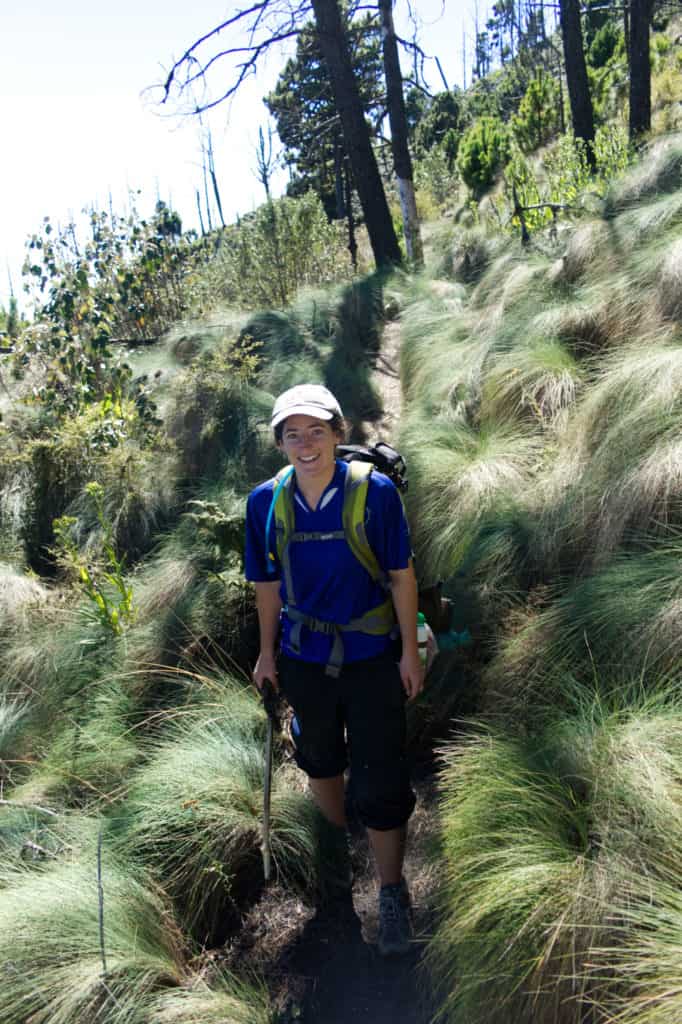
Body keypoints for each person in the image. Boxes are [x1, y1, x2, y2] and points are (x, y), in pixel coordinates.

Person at [245, 382, 424, 956]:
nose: (305, 443)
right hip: (304, 658)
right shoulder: (264, 503)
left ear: (338, 434)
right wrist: (267, 653)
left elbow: (401, 576)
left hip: (373, 656)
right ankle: (337, 875)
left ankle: (392, 893)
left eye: (316, 431)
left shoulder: (375, 495)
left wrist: (409, 652)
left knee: (382, 774)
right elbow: (267, 586)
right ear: (280, 443)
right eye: (291, 434)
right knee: (320, 757)